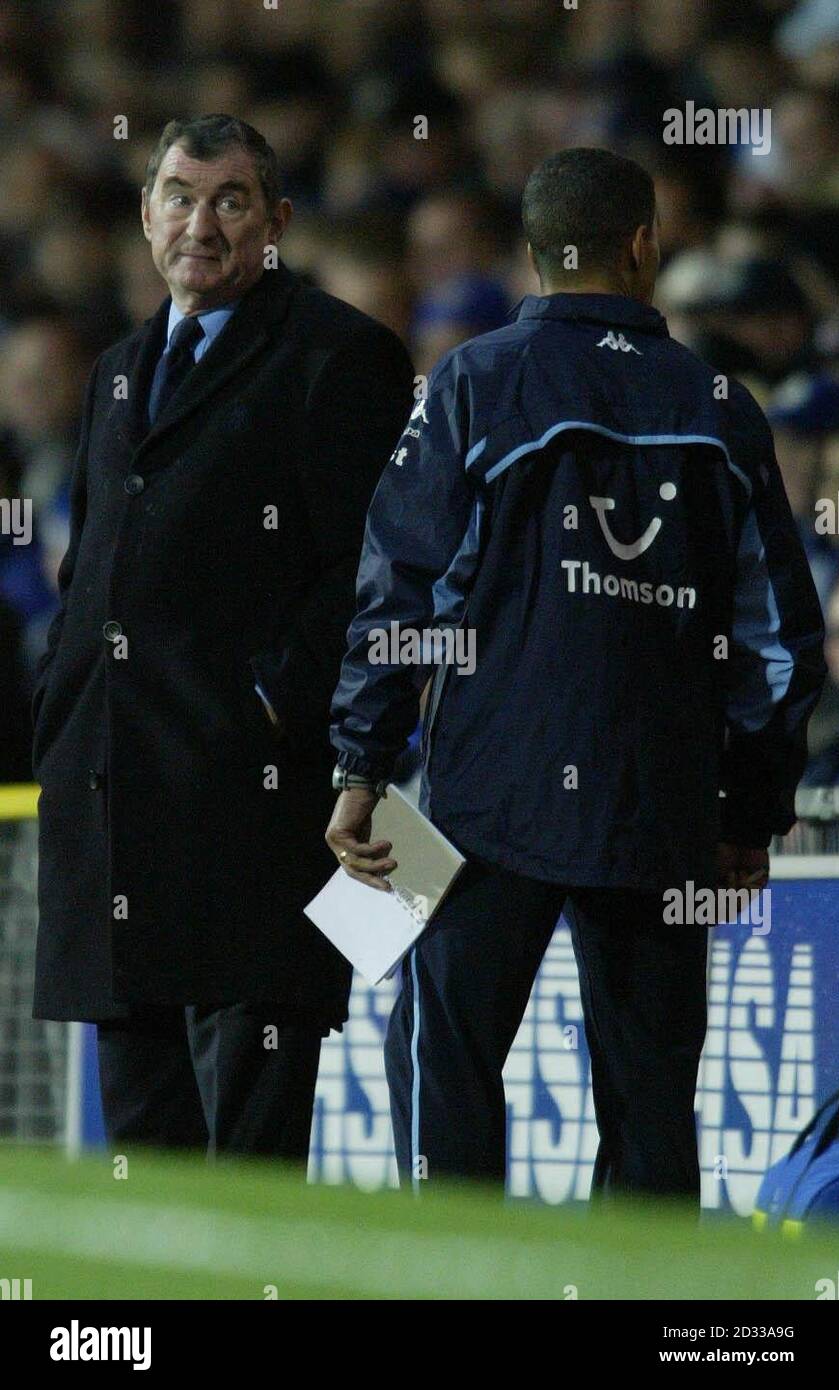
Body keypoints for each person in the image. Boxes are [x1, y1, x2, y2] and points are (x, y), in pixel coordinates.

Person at [326, 148, 826, 1201]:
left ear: (532, 255)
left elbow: (398, 587)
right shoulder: (720, 406)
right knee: (649, 1100)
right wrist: (749, 808)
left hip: (478, 795)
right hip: (659, 803)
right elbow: (781, 637)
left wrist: (360, 764)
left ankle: (454, 1293)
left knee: (445, 1061)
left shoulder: (471, 380)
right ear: (643, 245)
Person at [32, 114, 414, 1159]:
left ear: (277, 221)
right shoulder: (116, 369)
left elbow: (374, 571)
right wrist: (58, 709)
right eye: (178, 194)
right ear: (146, 212)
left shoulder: (338, 355)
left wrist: (271, 700)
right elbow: (88, 576)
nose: (199, 221)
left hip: (251, 813)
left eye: (230, 200)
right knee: (143, 1152)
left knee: (249, 1150)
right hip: (115, 799)